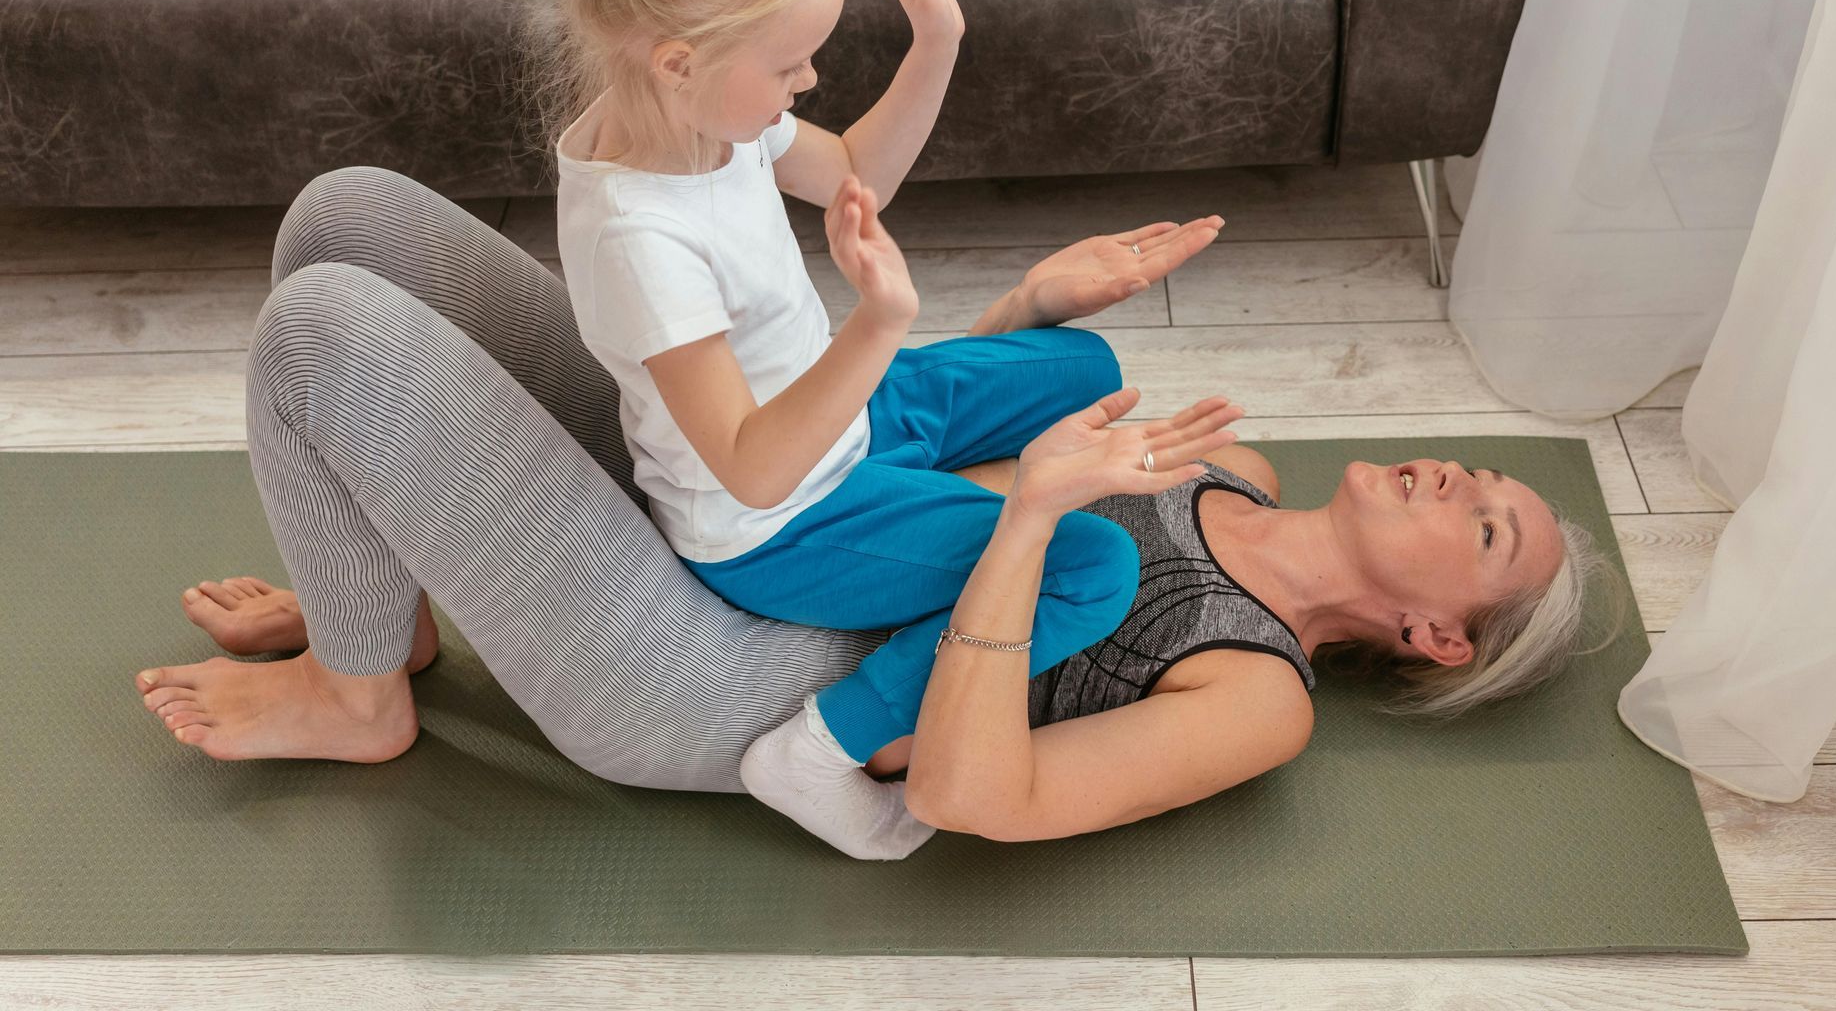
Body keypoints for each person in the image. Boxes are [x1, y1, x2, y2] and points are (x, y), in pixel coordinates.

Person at [130, 169, 1622, 857]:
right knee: (351, 218)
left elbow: (981, 796)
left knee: (325, 332)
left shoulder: (1255, 695)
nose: (1460, 476)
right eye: (1486, 475)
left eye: (1487, 523)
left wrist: (1041, 521)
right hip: (777, 514)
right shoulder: (1243, 467)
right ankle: (375, 624)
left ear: (1432, 636)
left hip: (735, 675)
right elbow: (916, 441)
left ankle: (356, 688)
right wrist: (1032, 308)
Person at [521, 0, 1227, 857]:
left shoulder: (712, 118)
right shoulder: (638, 237)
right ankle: (819, 745)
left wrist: (937, 34)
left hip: (853, 414)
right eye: (791, 61)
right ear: (678, 60)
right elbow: (755, 470)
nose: (806, 82)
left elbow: (856, 170)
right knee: (1095, 569)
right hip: (781, 519)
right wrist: (879, 319)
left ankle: (954, 491)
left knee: (1084, 361)